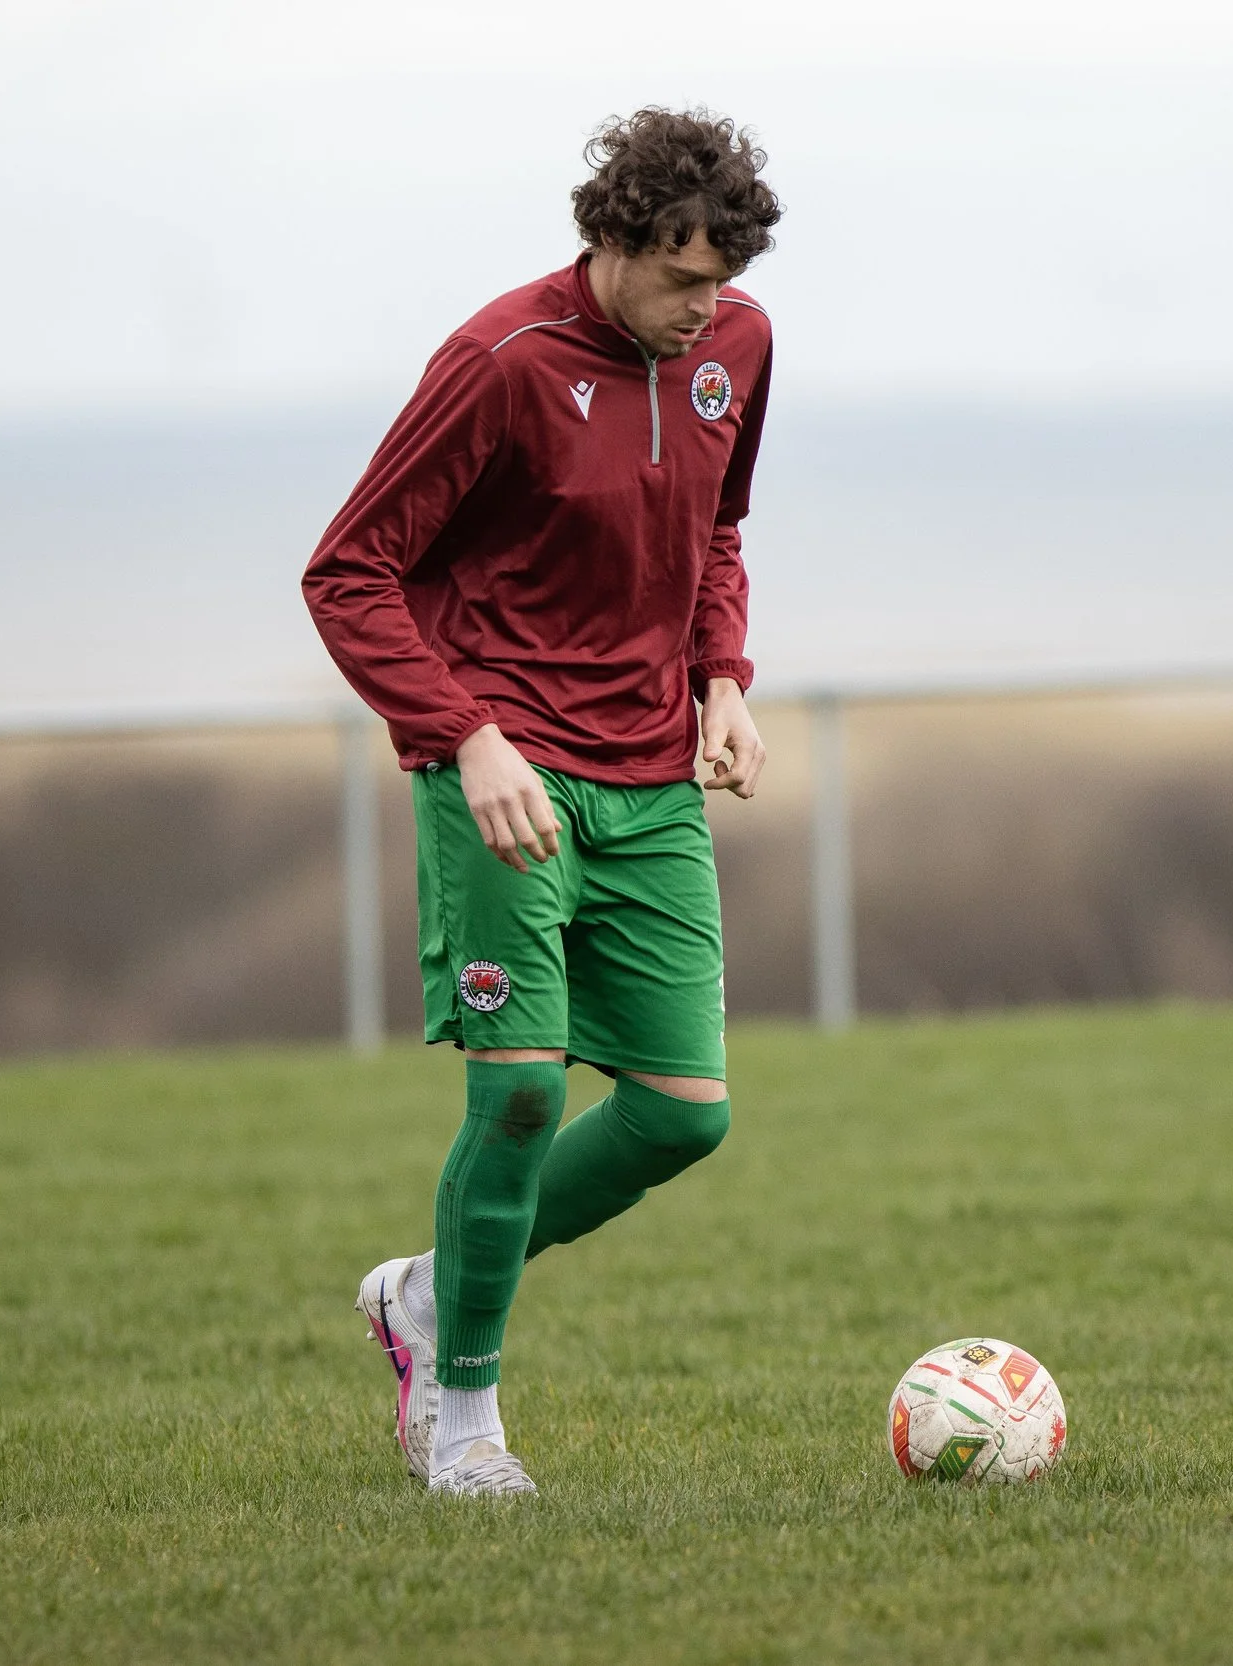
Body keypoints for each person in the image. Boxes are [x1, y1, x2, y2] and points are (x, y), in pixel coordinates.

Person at [300, 108, 781, 1497]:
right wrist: (465, 735)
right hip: (507, 781)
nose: (709, 307)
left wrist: (725, 678)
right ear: (614, 240)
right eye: (684, 276)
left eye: (724, 279)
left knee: (685, 1113)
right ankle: (464, 1422)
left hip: (652, 783)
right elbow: (349, 573)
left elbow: (715, 534)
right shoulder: (499, 364)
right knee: (515, 1099)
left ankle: (428, 1294)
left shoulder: (735, 349)